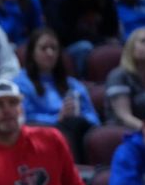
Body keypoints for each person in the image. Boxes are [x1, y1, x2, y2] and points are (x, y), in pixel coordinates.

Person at [13, 28, 99, 162]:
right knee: (67, 129)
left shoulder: (73, 85)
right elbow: (25, 118)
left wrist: (79, 116)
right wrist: (57, 119)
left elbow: (93, 118)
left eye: (54, 48)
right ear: (32, 53)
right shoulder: (20, 84)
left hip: (77, 130)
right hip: (44, 135)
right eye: (44, 48)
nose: (50, 53)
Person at [104, 27, 145, 129]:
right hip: (125, 133)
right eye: (143, 41)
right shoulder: (118, 76)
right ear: (131, 48)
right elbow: (124, 116)